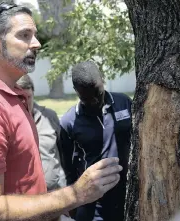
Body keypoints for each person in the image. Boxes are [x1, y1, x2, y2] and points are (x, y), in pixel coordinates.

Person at [0, 2, 123, 221]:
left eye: (35, 35)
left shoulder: (11, 96)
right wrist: (76, 194)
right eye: (25, 35)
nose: (36, 44)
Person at [60, 60, 132, 221]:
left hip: (128, 194)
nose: (94, 101)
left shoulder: (124, 103)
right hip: (93, 205)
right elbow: (67, 168)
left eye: (97, 94)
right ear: (76, 91)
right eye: (86, 98)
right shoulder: (68, 122)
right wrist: (73, 201)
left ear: (102, 79)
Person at [17, 74, 67, 191]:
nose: (25, 102)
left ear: (33, 93)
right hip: (27, 196)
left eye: (28, 97)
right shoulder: (9, 123)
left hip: (56, 190)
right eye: (20, 98)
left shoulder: (49, 117)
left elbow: (63, 152)